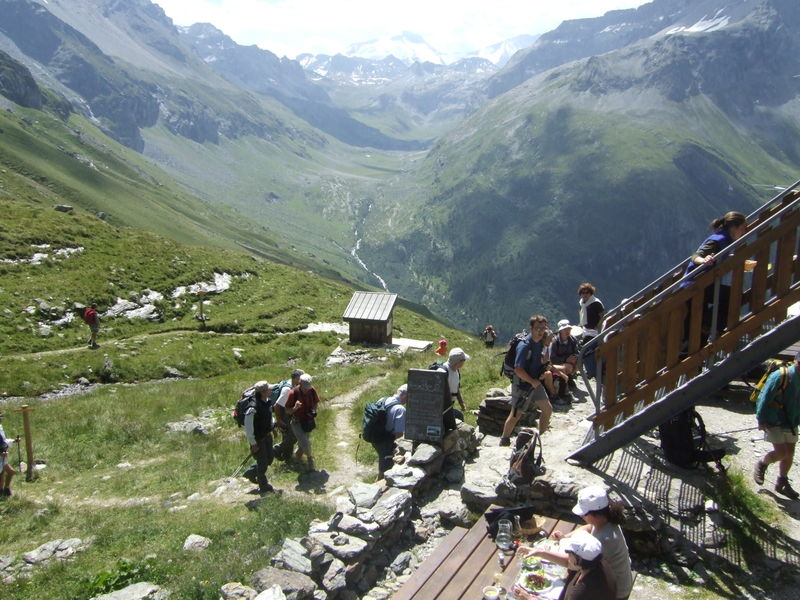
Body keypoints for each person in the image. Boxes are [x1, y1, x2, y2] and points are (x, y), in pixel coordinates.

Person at [529, 486, 633, 600]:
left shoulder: (604, 539)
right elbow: (589, 527)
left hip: (614, 592)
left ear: (594, 514)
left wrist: (542, 553)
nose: (581, 516)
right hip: (605, 576)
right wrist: (565, 537)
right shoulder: (604, 520)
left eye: (583, 514)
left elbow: (572, 563)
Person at [683, 211, 748, 340]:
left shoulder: (724, 239)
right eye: (742, 228)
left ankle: (707, 327)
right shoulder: (719, 240)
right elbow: (695, 256)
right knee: (732, 294)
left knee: (696, 325)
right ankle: (710, 325)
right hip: (695, 285)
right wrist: (704, 260)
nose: (744, 232)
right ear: (734, 227)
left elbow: (719, 256)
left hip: (700, 283)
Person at [500, 315, 553, 446]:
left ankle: (540, 438)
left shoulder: (540, 342)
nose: (540, 331)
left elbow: (541, 359)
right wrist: (532, 381)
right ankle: (504, 439)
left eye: (543, 328)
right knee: (516, 415)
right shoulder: (524, 346)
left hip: (534, 381)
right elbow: (518, 369)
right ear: (531, 328)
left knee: (547, 410)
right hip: (523, 383)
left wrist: (545, 360)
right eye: (537, 328)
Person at [753, 351, 800, 500]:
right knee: (781, 453)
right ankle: (762, 463)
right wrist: (761, 419)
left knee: (790, 453)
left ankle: (782, 481)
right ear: (795, 360)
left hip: (791, 421)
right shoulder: (781, 376)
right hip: (773, 419)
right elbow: (764, 397)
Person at [243, 380, 276, 494]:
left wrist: (273, 427)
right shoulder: (252, 407)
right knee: (262, 463)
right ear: (263, 392)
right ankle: (264, 486)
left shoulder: (267, 401)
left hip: (267, 435)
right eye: (268, 389)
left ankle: (251, 472)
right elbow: (248, 427)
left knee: (269, 458)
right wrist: (253, 443)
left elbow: (269, 416)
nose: (271, 390)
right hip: (258, 439)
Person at [286, 373, 321, 472]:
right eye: (305, 388)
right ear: (300, 384)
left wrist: (314, 411)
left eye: (308, 388)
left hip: (308, 421)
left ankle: (297, 462)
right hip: (297, 422)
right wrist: (295, 408)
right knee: (306, 443)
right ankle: (310, 460)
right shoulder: (293, 393)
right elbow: (287, 410)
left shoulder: (312, 390)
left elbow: (315, 402)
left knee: (302, 444)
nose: (306, 390)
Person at [372, 384, 408, 477]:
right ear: (405, 396)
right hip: (386, 441)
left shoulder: (383, 399)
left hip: (375, 436)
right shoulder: (400, 410)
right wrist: (399, 451)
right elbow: (399, 434)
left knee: (382, 459)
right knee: (386, 470)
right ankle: (379, 485)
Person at [272, 369, 304, 461]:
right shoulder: (287, 390)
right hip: (283, 414)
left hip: (288, 412)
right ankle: (276, 449)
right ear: (295, 378)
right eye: (300, 378)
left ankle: (286, 457)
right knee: (292, 436)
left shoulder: (294, 385)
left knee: (289, 435)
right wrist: (279, 420)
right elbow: (276, 406)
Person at [438, 348, 469, 432]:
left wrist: (461, 402)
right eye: (463, 361)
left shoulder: (456, 371)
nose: (464, 362)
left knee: (458, 418)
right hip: (441, 408)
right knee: (458, 418)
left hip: (449, 405)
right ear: (458, 362)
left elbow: (456, 388)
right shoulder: (442, 371)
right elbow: (437, 392)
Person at [577, 284, 604, 379]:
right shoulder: (582, 303)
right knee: (586, 351)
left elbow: (602, 316)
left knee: (586, 351)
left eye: (587, 293)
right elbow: (582, 315)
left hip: (594, 332)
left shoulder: (596, 303)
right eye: (582, 293)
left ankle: (590, 371)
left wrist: (599, 326)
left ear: (591, 293)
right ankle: (590, 370)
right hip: (586, 330)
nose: (584, 295)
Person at [550, 319, 580, 400]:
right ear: (560, 331)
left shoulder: (572, 339)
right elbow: (552, 358)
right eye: (565, 329)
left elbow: (577, 352)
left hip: (569, 362)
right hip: (558, 363)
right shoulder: (555, 342)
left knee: (579, 364)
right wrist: (566, 359)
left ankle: (569, 378)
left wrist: (575, 357)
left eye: (569, 329)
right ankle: (566, 390)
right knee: (567, 367)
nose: (568, 331)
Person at [0, 412, 17, 498]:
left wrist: (13, 441)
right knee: (1, 474)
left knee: (10, 472)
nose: (1, 418)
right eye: (0, 416)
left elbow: (3, 441)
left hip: (3, 455)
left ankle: (5, 490)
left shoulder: (0, 427)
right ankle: (3, 492)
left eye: (2, 416)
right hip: (1, 454)